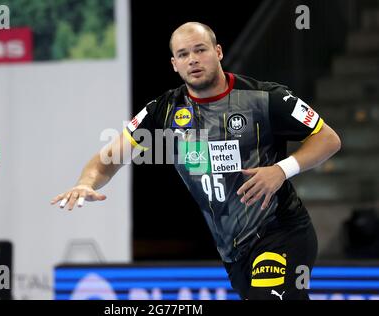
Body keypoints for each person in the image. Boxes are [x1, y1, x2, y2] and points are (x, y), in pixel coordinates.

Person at [51, 22, 341, 300]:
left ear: (218, 52)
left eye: (200, 50)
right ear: (174, 64)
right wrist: (85, 183)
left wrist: (281, 169)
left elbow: (328, 139)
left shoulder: (265, 98)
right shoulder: (162, 112)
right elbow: (107, 160)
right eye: (183, 54)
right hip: (233, 250)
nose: (193, 59)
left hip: (280, 230)